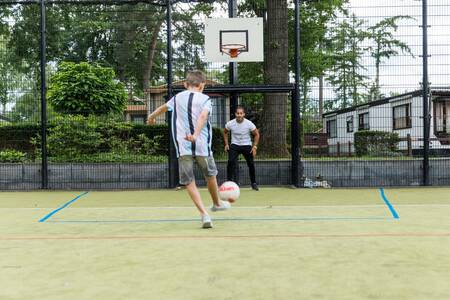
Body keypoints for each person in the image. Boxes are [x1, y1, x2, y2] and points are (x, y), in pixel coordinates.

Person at [147, 70, 230, 229]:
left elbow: (162, 109)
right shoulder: (205, 99)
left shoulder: (177, 97)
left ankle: (204, 214)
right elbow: (203, 117)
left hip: (183, 146)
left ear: (185, 85)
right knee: (210, 174)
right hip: (201, 146)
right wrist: (196, 134)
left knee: (189, 181)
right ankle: (217, 203)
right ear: (202, 85)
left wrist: (151, 117)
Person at [223, 106, 260, 191]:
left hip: (246, 145)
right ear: (235, 114)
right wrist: (226, 144)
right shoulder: (230, 123)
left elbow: (257, 134)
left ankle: (253, 183)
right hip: (234, 145)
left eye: (241, 113)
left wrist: (254, 147)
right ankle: (229, 183)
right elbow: (225, 132)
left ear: (244, 114)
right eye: (237, 113)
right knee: (230, 162)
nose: (239, 115)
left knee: (251, 164)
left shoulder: (249, 124)